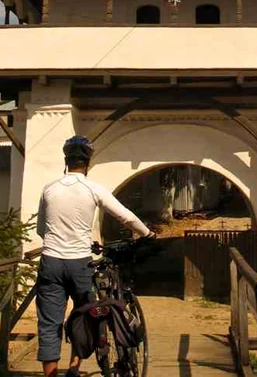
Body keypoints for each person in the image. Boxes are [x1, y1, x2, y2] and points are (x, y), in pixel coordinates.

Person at [35, 135, 154, 377]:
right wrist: (146, 233)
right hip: (80, 264)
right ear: (87, 163)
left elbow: (41, 229)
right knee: (86, 316)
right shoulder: (93, 188)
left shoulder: (49, 189)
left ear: (66, 161)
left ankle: (50, 375)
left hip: (51, 262)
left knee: (49, 323)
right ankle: (74, 369)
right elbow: (126, 217)